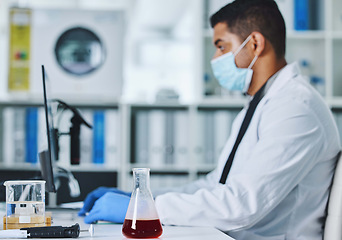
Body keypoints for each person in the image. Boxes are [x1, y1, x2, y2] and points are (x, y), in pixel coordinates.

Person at [78, 0, 341, 239]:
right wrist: (143, 199)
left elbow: (240, 206)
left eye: (221, 47)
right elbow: (217, 184)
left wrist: (146, 209)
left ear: (255, 44)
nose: (215, 59)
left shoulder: (296, 109)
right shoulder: (262, 103)